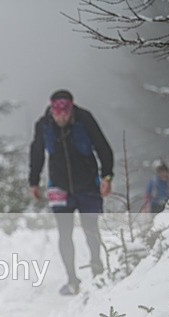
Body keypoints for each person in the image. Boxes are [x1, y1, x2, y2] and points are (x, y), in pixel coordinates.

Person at [28, 90, 114, 295]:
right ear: (52, 109)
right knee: (64, 233)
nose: (61, 117)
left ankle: (97, 271)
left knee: (90, 229)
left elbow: (103, 147)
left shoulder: (84, 119)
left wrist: (107, 176)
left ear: (71, 108)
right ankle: (72, 280)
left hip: (88, 185)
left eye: (65, 112)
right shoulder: (43, 125)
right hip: (58, 186)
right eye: (57, 112)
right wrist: (33, 182)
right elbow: (37, 153)